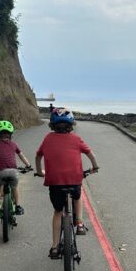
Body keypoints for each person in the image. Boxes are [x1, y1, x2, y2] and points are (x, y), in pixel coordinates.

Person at [35, 108, 99, 259]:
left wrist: (39, 171)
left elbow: (38, 156)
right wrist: (94, 167)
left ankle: (55, 247)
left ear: (52, 125)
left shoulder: (48, 138)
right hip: (74, 180)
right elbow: (91, 154)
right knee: (77, 196)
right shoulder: (76, 139)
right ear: (71, 125)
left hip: (54, 183)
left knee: (58, 211)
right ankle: (80, 223)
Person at [0, 120, 32, 215]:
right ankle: (18, 207)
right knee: (14, 187)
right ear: (10, 134)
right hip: (13, 172)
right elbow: (22, 156)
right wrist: (28, 165)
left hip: (0, 172)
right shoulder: (14, 145)